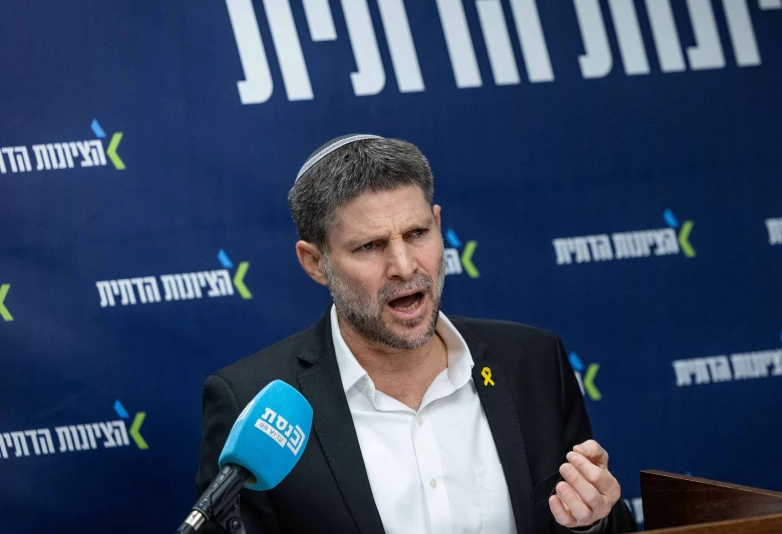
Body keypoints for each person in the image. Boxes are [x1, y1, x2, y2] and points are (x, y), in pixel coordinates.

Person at [196, 135, 637, 534]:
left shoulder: (533, 362)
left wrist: (590, 524)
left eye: (417, 233)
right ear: (315, 263)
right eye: (370, 246)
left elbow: (608, 525)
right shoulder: (254, 403)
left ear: (438, 223)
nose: (405, 266)